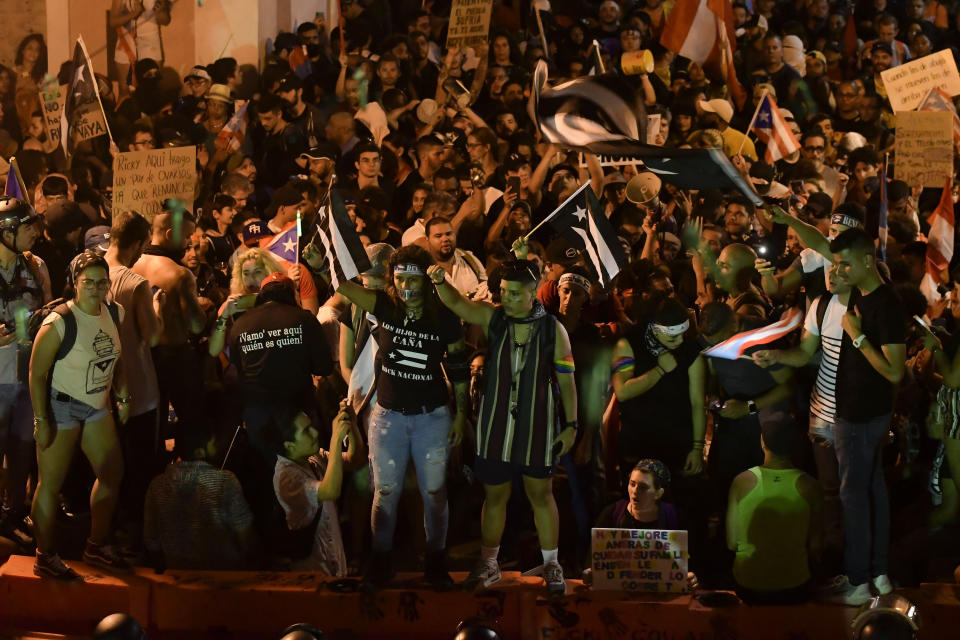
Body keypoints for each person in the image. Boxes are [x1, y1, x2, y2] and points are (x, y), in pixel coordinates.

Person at [428, 256, 578, 595]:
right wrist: (439, 282)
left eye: (513, 293)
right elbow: (458, 304)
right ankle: (489, 563)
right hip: (495, 426)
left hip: (537, 427)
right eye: (503, 292)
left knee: (542, 495)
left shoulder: (554, 329)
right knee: (494, 497)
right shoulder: (493, 318)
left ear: (532, 293)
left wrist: (571, 425)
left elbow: (567, 382)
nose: (506, 298)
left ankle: (552, 564)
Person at [337, 245, 467, 589]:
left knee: (434, 493)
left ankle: (436, 564)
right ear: (392, 281)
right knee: (386, 492)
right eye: (400, 279)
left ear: (427, 279)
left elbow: (458, 370)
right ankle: (381, 563)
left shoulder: (444, 315)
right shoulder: (386, 305)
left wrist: (461, 415)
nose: (407, 286)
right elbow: (344, 288)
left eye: (414, 278)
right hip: (388, 417)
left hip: (432, 418)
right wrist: (322, 265)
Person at [29, 251, 130, 580]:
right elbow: (36, 373)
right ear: (74, 283)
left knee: (112, 472)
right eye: (89, 282)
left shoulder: (114, 311)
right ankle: (45, 555)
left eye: (103, 282)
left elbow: (119, 356)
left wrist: (123, 394)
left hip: (97, 405)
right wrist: (41, 420)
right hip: (62, 406)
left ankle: (96, 545)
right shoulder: (59, 322)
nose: (97, 289)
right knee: (50, 486)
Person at [825, 228, 905, 605]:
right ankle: (879, 573)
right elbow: (818, 243)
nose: (838, 270)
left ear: (867, 261)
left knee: (853, 494)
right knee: (872, 488)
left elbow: (894, 371)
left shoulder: (886, 304)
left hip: (861, 416)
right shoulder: (860, 291)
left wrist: (856, 336)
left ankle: (859, 581)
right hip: (861, 411)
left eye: (844, 264)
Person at [103, 211, 163, 548]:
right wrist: (155, 306)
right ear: (138, 244)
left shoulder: (85, 269)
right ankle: (136, 537)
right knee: (139, 465)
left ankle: (107, 531)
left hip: (99, 387)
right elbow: (151, 337)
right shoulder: (136, 283)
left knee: (108, 464)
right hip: (138, 387)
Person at [727, 411, 823, 605]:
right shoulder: (810, 486)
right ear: (795, 444)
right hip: (794, 585)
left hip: (748, 584)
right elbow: (816, 546)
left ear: (762, 442)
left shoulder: (741, 482)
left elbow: (731, 543)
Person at [0, 197, 51, 549]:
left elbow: (47, 312)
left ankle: (13, 516)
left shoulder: (36, 266)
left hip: (26, 372)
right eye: (26, 226)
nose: (34, 232)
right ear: (6, 231)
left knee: (21, 451)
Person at [131, 208, 206, 438]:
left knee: (153, 426)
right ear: (170, 234)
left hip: (141, 357)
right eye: (186, 237)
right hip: (175, 358)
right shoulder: (180, 274)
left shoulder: (130, 266)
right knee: (192, 424)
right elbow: (196, 325)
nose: (188, 244)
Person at [143, 418, 256, 570]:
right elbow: (246, 539)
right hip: (224, 578)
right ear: (200, 451)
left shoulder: (157, 485)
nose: (217, 446)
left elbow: (151, 542)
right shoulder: (225, 481)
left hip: (176, 575)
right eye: (213, 443)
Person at [273, 400, 365, 574]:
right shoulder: (286, 477)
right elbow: (330, 490)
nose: (315, 433)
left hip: (334, 564)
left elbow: (355, 460)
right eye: (306, 431)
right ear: (289, 445)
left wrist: (351, 424)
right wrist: (336, 439)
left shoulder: (312, 458)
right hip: (313, 574)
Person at [596, 459, 679, 529]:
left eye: (643, 487)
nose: (635, 491)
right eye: (632, 484)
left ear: (658, 493)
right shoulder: (612, 513)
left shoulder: (673, 517)